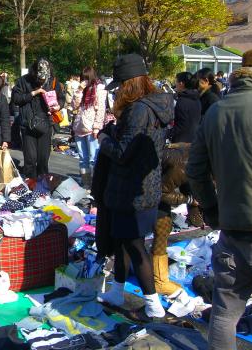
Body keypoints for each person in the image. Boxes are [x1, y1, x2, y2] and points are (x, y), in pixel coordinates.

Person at [186, 47, 252, 350]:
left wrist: (212, 209)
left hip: (230, 228)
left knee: (224, 313)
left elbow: (195, 171)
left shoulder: (216, 111)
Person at [97, 53, 173, 321]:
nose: (117, 90)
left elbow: (122, 152)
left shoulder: (139, 110)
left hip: (131, 191)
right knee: (122, 242)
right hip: (142, 187)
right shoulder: (153, 106)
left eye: (119, 85)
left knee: (135, 246)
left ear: (128, 83)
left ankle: (153, 304)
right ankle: (117, 291)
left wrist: (103, 138)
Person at [153, 143, 202, 296]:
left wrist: (195, 209)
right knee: (162, 227)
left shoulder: (201, 161)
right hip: (146, 187)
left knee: (162, 228)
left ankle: (155, 273)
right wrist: (189, 200)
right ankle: (159, 281)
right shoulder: (182, 164)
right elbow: (160, 192)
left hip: (160, 183)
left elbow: (190, 186)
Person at [12, 57, 65, 179]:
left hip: (46, 122)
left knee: (43, 158)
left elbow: (61, 98)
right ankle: (30, 182)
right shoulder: (23, 81)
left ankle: (42, 183)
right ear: (35, 72)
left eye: (44, 78)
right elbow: (16, 99)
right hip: (28, 124)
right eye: (40, 77)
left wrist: (58, 106)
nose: (42, 80)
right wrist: (33, 93)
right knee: (30, 158)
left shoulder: (53, 81)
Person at [72, 67, 107, 189]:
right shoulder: (81, 90)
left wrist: (97, 127)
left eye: (86, 78)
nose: (84, 81)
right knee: (83, 158)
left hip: (92, 128)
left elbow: (101, 110)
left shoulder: (100, 89)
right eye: (83, 78)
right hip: (79, 127)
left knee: (93, 158)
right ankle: (86, 184)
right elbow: (74, 106)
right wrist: (79, 90)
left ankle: (95, 184)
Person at [170, 71, 201, 143]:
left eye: (176, 82)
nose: (175, 84)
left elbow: (181, 125)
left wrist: (168, 133)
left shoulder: (182, 101)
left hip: (181, 141)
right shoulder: (196, 98)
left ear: (181, 83)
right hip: (194, 138)